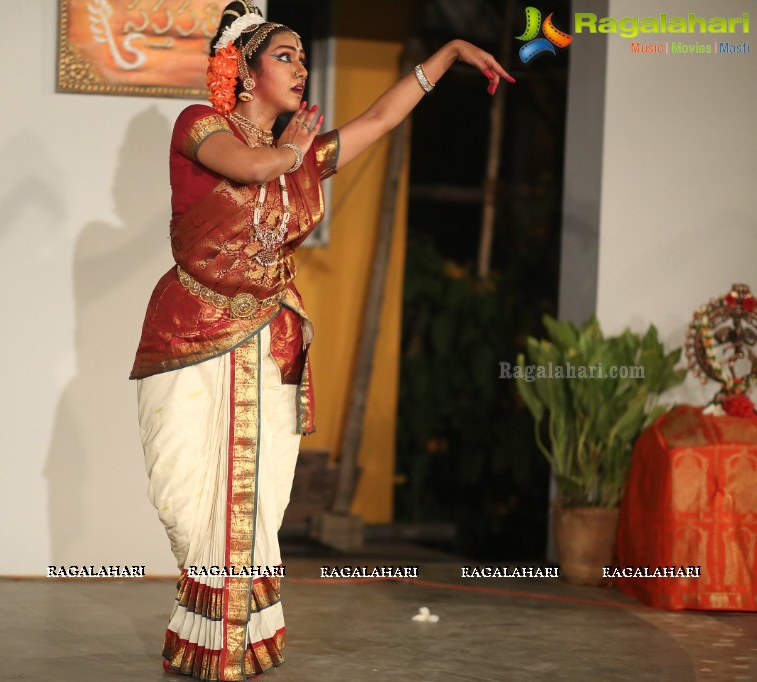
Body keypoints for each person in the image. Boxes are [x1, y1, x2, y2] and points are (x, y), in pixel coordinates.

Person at [129, 2, 514, 679]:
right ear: (245, 73)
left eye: (304, 58)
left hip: (267, 337)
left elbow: (378, 120)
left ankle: (229, 648)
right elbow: (248, 169)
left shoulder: (300, 154)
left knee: (257, 504)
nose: (300, 67)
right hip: (190, 333)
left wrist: (449, 54)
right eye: (285, 56)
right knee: (182, 497)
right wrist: (292, 151)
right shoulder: (201, 125)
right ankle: (210, 631)